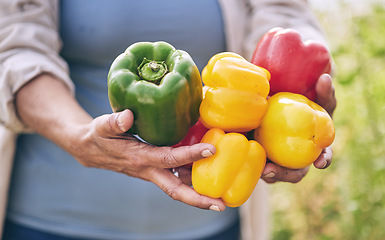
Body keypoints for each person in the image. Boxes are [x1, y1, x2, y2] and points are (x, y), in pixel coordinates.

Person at [0, 0, 336, 239]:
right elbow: (14, 46)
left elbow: (282, 13)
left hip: (209, 223)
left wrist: (295, 97)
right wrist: (76, 135)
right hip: (47, 224)